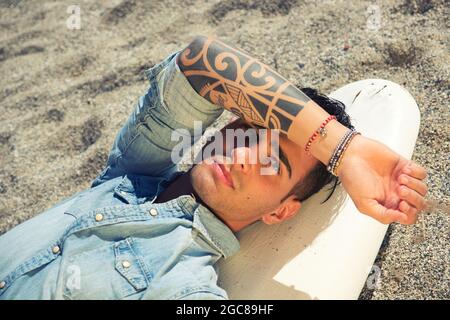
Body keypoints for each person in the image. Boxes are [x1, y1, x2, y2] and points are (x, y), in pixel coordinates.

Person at [0, 36, 428, 299]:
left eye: (272, 164)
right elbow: (200, 61)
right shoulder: (131, 173)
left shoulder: (182, 279)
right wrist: (344, 150)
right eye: (248, 130)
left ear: (280, 211)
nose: (242, 153)